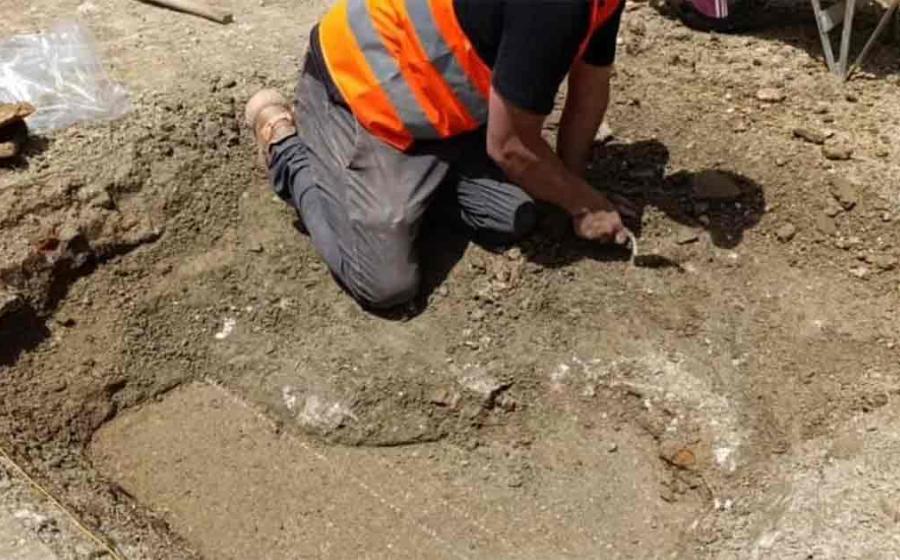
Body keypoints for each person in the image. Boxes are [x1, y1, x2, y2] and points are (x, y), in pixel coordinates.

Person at [245, 0, 630, 310]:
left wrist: (574, 187)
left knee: (516, 214)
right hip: (361, 93)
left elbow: (590, 86)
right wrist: (584, 205)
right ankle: (287, 150)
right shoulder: (554, 8)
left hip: (442, 113)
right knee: (385, 283)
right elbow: (509, 146)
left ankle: (413, 194)